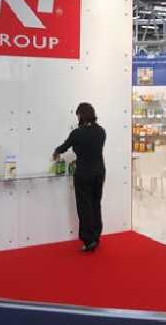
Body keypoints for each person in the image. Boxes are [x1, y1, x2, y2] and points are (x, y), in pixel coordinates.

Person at [53, 102, 106, 252]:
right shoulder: (101, 131)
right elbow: (95, 150)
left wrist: (56, 152)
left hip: (83, 173)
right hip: (99, 172)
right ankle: (96, 236)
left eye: (78, 115)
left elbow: (64, 147)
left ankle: (88, 240)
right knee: (96, 204)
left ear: (81, 115)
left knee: (84, 207)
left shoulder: (77, 133)